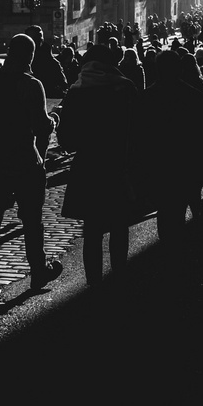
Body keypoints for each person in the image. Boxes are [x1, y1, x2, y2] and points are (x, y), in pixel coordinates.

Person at [0, 34, 62, 305]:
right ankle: (38, 271)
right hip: (23, 162)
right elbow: (41, 127)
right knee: (31, 221)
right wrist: (53, 120)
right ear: (30, 56)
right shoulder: (32, 85)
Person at [57, 44, 140, 286]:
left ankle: (93, 282)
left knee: (92, 230)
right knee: (119, 225)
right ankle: (119, 276)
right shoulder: (125, 87)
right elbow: (139, 131)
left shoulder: (77, 91)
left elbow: (66, 140)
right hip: (118, 165)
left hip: (88, 168)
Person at [143, 50, 203, 242]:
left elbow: (140, 137)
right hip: (186, 165)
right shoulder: (194, 96)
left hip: (160, 166)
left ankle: (167, 253)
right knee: (182, 211)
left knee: (165, 214)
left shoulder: (147, 98)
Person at [26, 25, 69, 99]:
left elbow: (63, 87)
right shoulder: (22, 61)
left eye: (39, 37)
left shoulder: (52, 63)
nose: (38, 40)